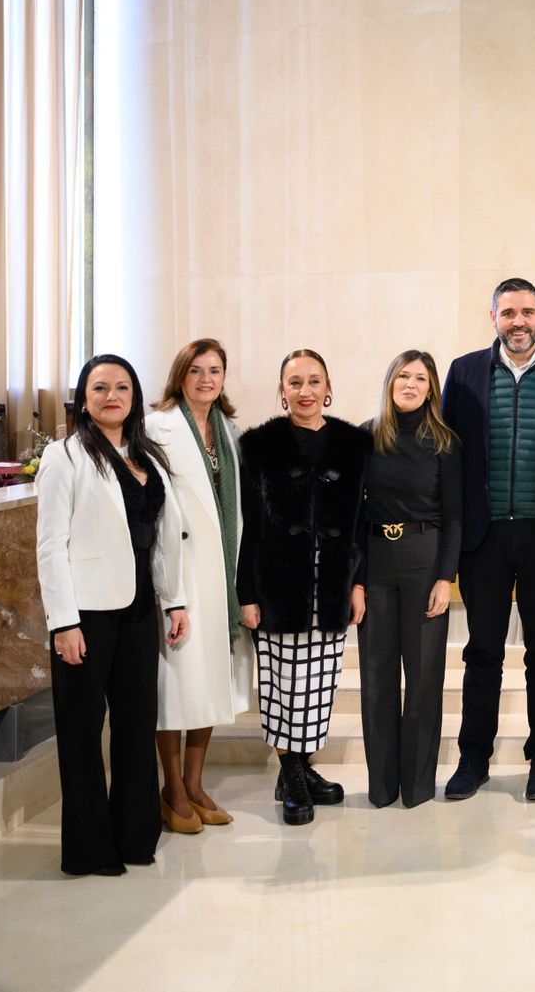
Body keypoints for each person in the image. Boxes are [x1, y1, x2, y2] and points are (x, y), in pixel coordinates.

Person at [35, 355, 188, 875]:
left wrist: (174, 599)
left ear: (134, 397)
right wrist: (63, 622)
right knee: (82, 731)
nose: (111, 396)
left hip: (140, 608)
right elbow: (50, 546)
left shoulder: (148, 454)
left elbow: (159, 537)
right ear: (83, 399)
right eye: (100, 388)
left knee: (136, 725)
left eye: (122, 387)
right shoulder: (65, 456)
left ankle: (135, 837)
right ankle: (89, 850)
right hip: (87, 614)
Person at [441, 278, 535, 802]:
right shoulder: (464, 372)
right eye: (508, 313)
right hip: (483, 537)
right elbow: (449, 455)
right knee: (482, 652)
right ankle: (473, 758)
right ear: (494, 318)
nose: (518, 322)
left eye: (527, 311)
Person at [238, 349, 371, 826]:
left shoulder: (354, 444)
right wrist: (247, 594)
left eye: (314, 381)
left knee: (319, 685)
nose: (305, 391)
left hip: (332, 583)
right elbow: (248, 525)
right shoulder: (259, 445)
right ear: (282, 391)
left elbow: (359, 522)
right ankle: (292, 775)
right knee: (282, 684)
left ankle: (300, 767)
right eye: (295, 382)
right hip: (278, 585)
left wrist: (358, 584)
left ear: (328, 387)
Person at [146, 339, 249, 834]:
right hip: (180, 574)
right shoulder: (156, 427)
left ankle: (195, 783)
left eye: (215, 370)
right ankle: (172, 789)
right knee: (175, 686)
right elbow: (156, 513)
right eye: (196, 370)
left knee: (208, 680)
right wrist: (171, 595)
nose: (206, 379)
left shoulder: (229, 430)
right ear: (180, 375)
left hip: (220, 574)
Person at [356, 351, 461, 808]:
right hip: (376, 562)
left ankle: (417, 787)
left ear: (431, 387)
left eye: (420, 378)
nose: (411, 384)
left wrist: (445, 578)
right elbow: (354, 515)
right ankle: (381, 787)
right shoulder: (365, 437)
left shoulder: (444, 442)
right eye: (403, 375)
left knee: (422, 679)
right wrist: (356, 581)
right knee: (377, 678)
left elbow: (455, 517)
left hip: (425, 560)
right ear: (390, 381)